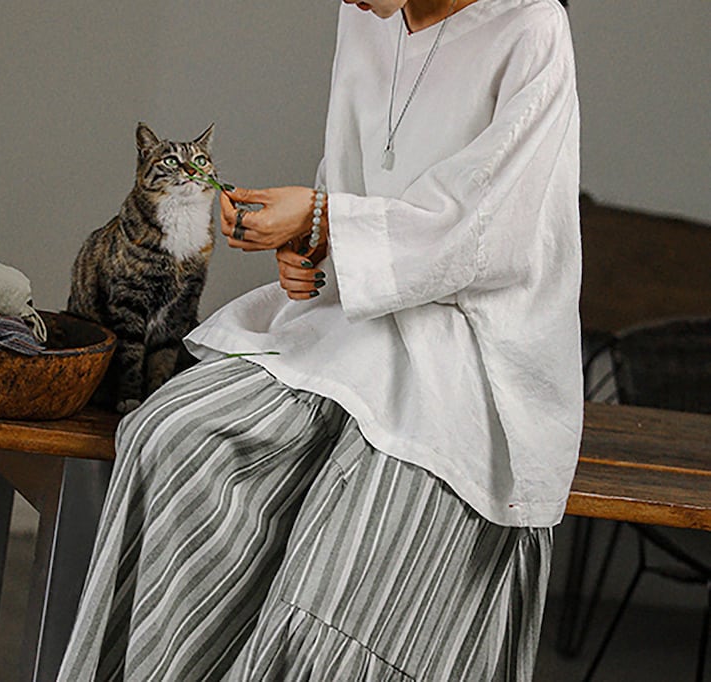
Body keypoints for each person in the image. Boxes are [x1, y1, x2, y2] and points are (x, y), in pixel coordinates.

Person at [58, 0, 581, 679]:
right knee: (168, 437)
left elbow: (499, 233)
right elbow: (352, 181)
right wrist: (310, 241)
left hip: (471, 348)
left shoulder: (531, 28)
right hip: (352, 325)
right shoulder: (364, 15)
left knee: (345, 559)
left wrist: (327, 216)